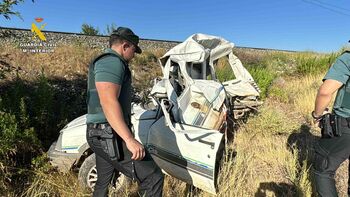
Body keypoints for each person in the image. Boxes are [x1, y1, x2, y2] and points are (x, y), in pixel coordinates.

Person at [86, 27, 164, 197]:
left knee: (102, 183)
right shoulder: (112, 61)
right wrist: (129, 139)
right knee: (153, 177)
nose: (134, 55)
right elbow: (108, 101)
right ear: (125, 45)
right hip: (108, 135)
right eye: (134, 50)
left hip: (101, 133)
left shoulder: (108, 61)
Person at [312, 49, 350, 197]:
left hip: (345, 126)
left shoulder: (347, 58)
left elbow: (325, 92)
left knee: (323, 170)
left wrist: (317, 115)